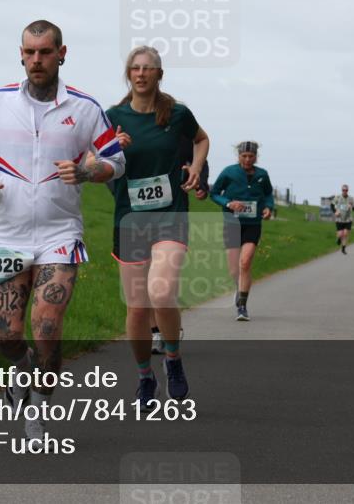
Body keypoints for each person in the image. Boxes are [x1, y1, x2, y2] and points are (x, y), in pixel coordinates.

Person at [0, 20, 125, 445]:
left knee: (48, 327)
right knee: (7, 336)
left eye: (45, 52)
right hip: (6, 232)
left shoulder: (86, 108)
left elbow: (115, 161)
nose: (37, 60)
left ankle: (36, 413)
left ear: (62, 54)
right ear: (21, 54)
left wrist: (88, 170)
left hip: (59, 233)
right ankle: (20, 371)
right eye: (30, 52)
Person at [107, 46, 209, 407]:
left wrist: (196, 168)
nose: (141, 73)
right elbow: (92, 161)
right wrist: (110, 150)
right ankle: (145, 379)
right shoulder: (113, 117)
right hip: (130, 221)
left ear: (159, 74)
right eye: (134, 68)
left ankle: (173, 360)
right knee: (136, 308)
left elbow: (202, 139)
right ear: (128, 74)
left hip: (170, 217)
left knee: (161, 292)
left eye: (148, 68)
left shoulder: (177, 114)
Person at [150, 136, 207, 354]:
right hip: (137, 217)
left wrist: (199, 182)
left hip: (172, 215)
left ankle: (169, 330)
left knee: (163, 285)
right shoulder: (137, 134)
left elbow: (201, 165)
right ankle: (156, 332)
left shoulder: (184, 140)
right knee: (144, 282)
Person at [210, 141, 274, 321]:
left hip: (253, 224)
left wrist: (268, 207)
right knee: (233, 270)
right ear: (238, 156)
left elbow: (268, 194)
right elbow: (214, 193)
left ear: (256, 157)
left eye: (251, 156)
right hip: (232, 223)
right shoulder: (229, 172)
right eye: (244, 156)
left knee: (245, 263)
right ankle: (239, 288)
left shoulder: (262, 174)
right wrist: (228, 203)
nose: (247, 159)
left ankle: (242, 307)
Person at [331, 184, 354, 255]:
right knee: (340, 234)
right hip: (339, 219)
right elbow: (332, 205)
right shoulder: (338, 197)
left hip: (348, 219)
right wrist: (335, 212)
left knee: (345, 234)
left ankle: (343, 248)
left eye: (346, 190)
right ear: (341, 190)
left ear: (348, 191)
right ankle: (339, 239)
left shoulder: (351, 198)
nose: (345, 191)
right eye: (343, 190)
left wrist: (351, 206)